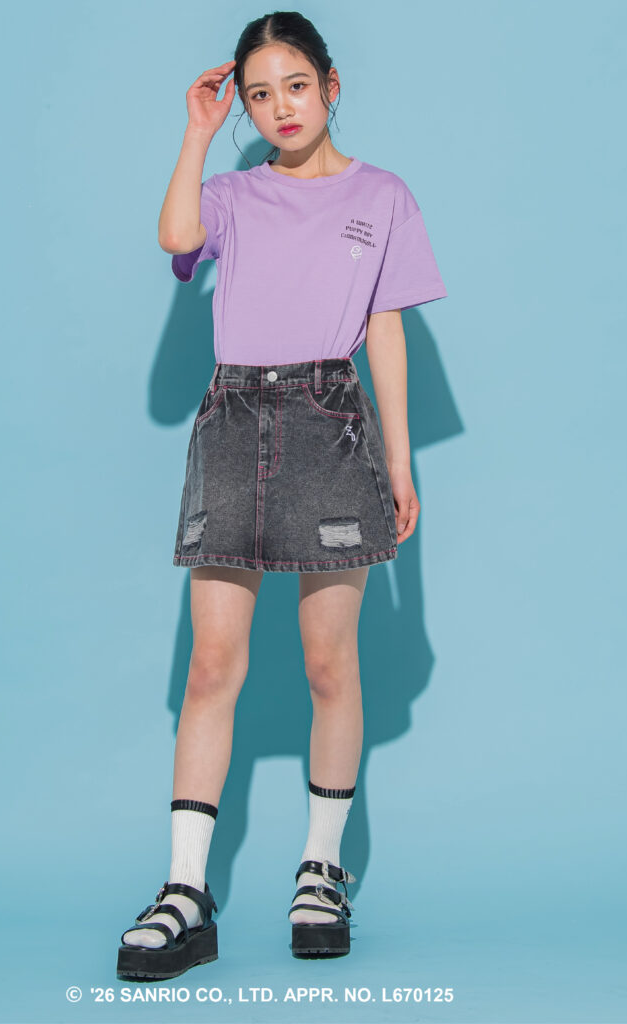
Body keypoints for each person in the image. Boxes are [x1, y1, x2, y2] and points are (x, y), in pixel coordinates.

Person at [117, 11, 447, 981]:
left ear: (330, 87)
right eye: (258, 95)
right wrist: (196, 130)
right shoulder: (229, 194)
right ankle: (185, 891)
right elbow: (175, 234)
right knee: (212, 666)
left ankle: (321, 871)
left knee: (328, 664)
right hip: (231, 422)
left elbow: (384, 331)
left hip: (329, 419)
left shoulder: (382, 196)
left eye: (295, 86)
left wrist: (400, 463)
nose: (280, 108)